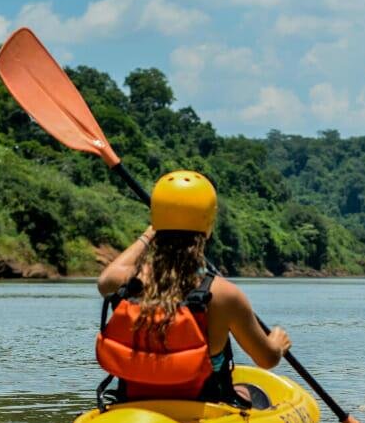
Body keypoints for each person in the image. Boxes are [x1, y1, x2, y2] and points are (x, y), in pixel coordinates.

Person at [95, 170, 291, 407]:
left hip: (132, 405)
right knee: (252, 393)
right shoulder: (223, 295)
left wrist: (153, 230)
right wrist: (277, 344)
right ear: (208, 225)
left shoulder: (129, 283)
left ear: (156, 221)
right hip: (201, 410)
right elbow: (266, 359)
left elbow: (105, 280)